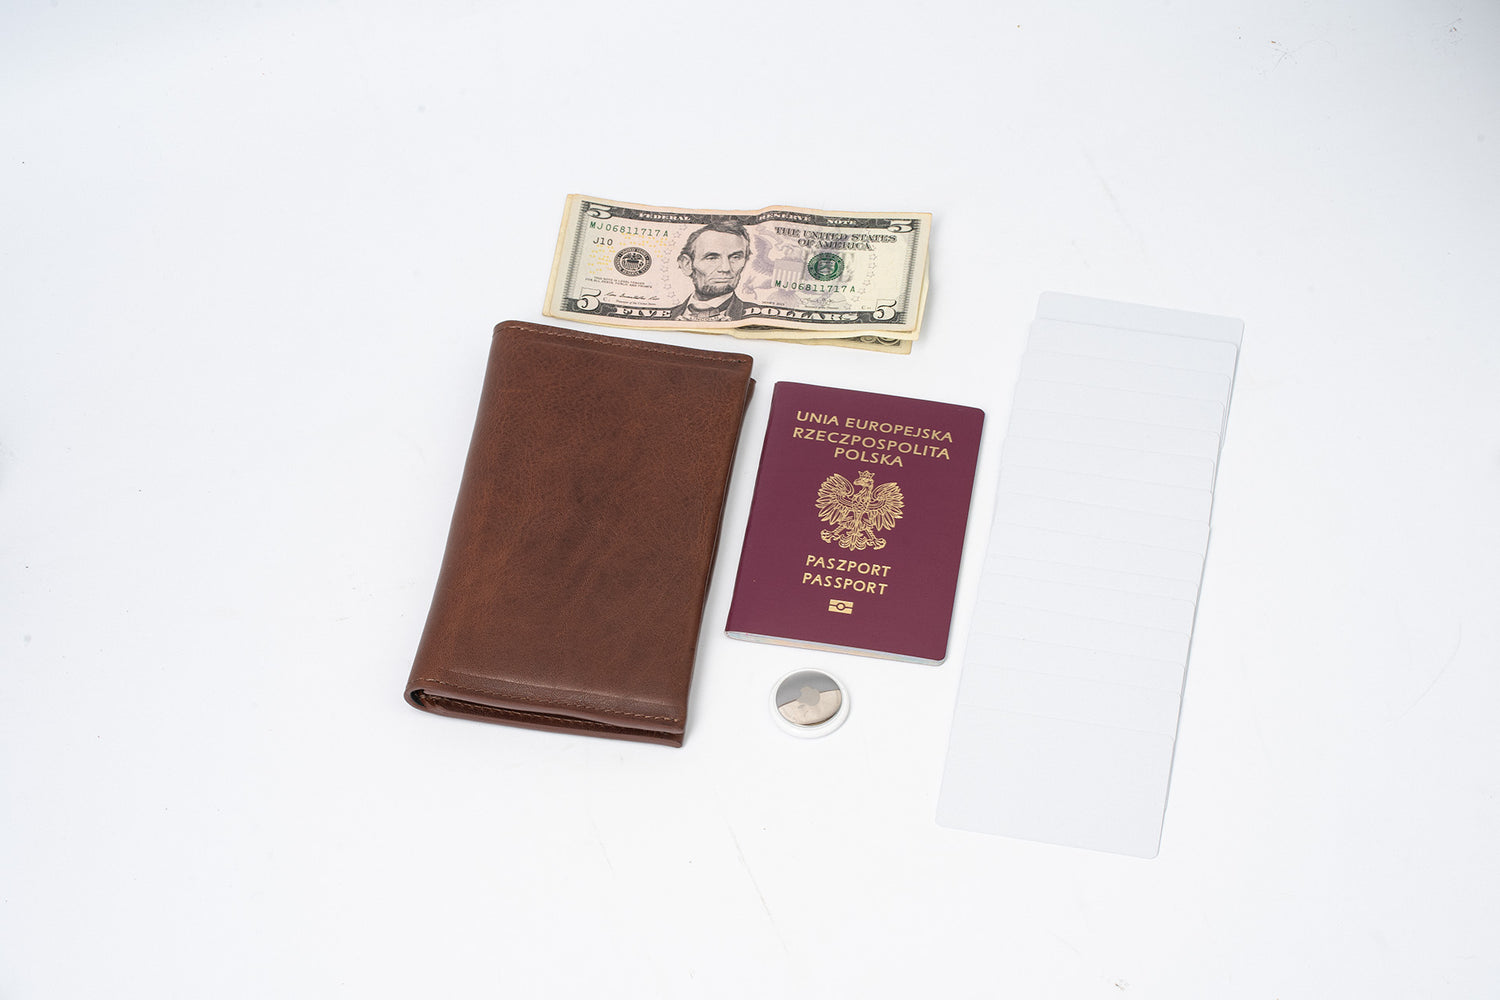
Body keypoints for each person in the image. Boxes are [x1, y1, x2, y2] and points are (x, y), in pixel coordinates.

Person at [667, 220, 753, 322]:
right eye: (712, 258)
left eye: (735, 257)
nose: (725, 268)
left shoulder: (754, 316)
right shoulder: (668, 316)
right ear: (687, 265)